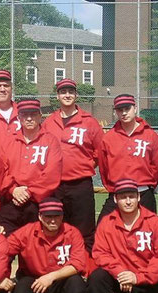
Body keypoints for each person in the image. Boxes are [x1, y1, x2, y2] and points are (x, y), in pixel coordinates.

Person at [8, 197, 88, 293]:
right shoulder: (26, 232)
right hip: (34, 279)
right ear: (39, 216)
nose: (52, 220)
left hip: (61, 280)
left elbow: (78, 263)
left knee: (77, 283)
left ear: (62, 216)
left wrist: (51, 276)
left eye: (56, 215)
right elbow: (4, 251)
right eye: (48, 216)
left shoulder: (72, 233)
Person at [42, 79, 103, 252]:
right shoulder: (48, 122)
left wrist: (84, 165)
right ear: (57, 96)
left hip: (80, 185)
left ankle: (84, 272)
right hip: (55, 185)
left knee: (84, 231)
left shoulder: (89, 121)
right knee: (57, 229)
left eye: (70, 92)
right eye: (63, 92)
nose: (67, 95)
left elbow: (99, 151)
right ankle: (60, 271)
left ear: (76, 95)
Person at [0, 99, 63, 236]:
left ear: (40, 116)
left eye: (33, 114)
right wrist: (13, 190)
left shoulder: (51, 141)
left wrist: (28, 192)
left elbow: (51, 175)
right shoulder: (9, 141)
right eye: (25, 115)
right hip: (12, 201)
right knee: (2, 246)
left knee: (33, 251)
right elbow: (1, 171)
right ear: (19, 118)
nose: (29, 118)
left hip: (38, 203)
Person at [97, 94, 158, 221]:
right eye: (120, 110)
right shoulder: (108, 138)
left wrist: (147, 182)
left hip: (143, 193)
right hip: (117, 194)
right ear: (116, 112)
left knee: (146, 235)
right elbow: (103, 167)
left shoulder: (150, 135)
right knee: (103, 229)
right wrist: (113, 187)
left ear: (135, 108)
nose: (124, 113)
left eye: (127, 108)